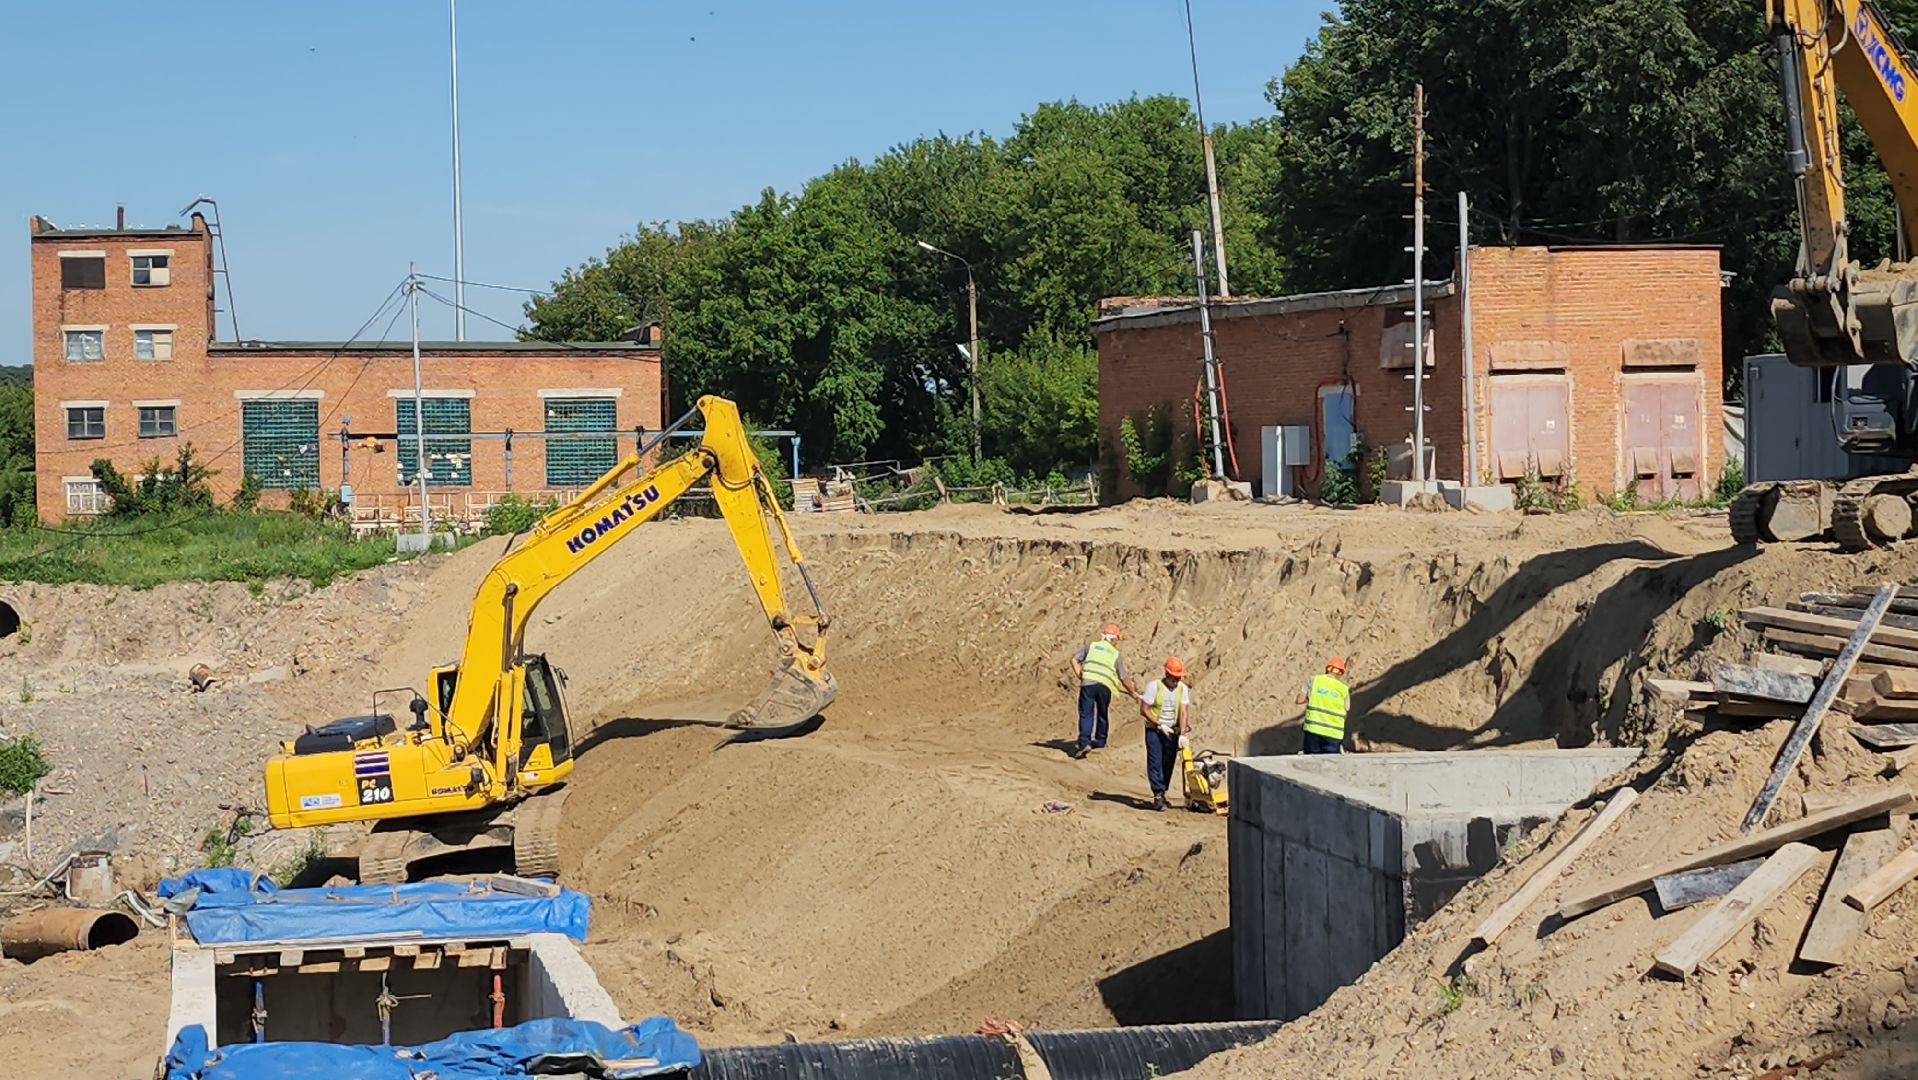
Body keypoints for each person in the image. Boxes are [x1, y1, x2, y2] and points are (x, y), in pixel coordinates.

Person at [1070, 624, 1139, 759]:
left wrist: (1079, 674)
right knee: (1102, 712)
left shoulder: (1092, 647)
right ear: (1113, 639)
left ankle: (1084, 742)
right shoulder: (1115, 654)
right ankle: (1100, 741)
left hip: (1088, 683)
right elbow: (1123, 677)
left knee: (1086, 714)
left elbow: (1074, 659)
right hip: (1105, 686)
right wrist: (1132, 692)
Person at [1138, 657, 1193, 811]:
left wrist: (1182, 733)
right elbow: (1144, 709)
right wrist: (1159, 724)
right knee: (1155, 760)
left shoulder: (1182, 689)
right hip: (1155, 729)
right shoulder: (1154, 687)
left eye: (1178, 677)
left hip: (1172, 731)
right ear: (1167, 674)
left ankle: (1163, 791)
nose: (1176, 681)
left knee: (1168, 762)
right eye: (1174, 677)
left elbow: (1183, 712)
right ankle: (1158, 794)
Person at [1296, 656, 1350, 754]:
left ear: (1327, 669)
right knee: (1330, 764)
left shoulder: (1313, 680)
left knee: (1311, 762)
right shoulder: (1344, 689)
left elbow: (1300, 700)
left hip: (1313, 730)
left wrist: (1311, 697)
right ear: (1341, 673)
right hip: (1333, 734)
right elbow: (1345, 712)